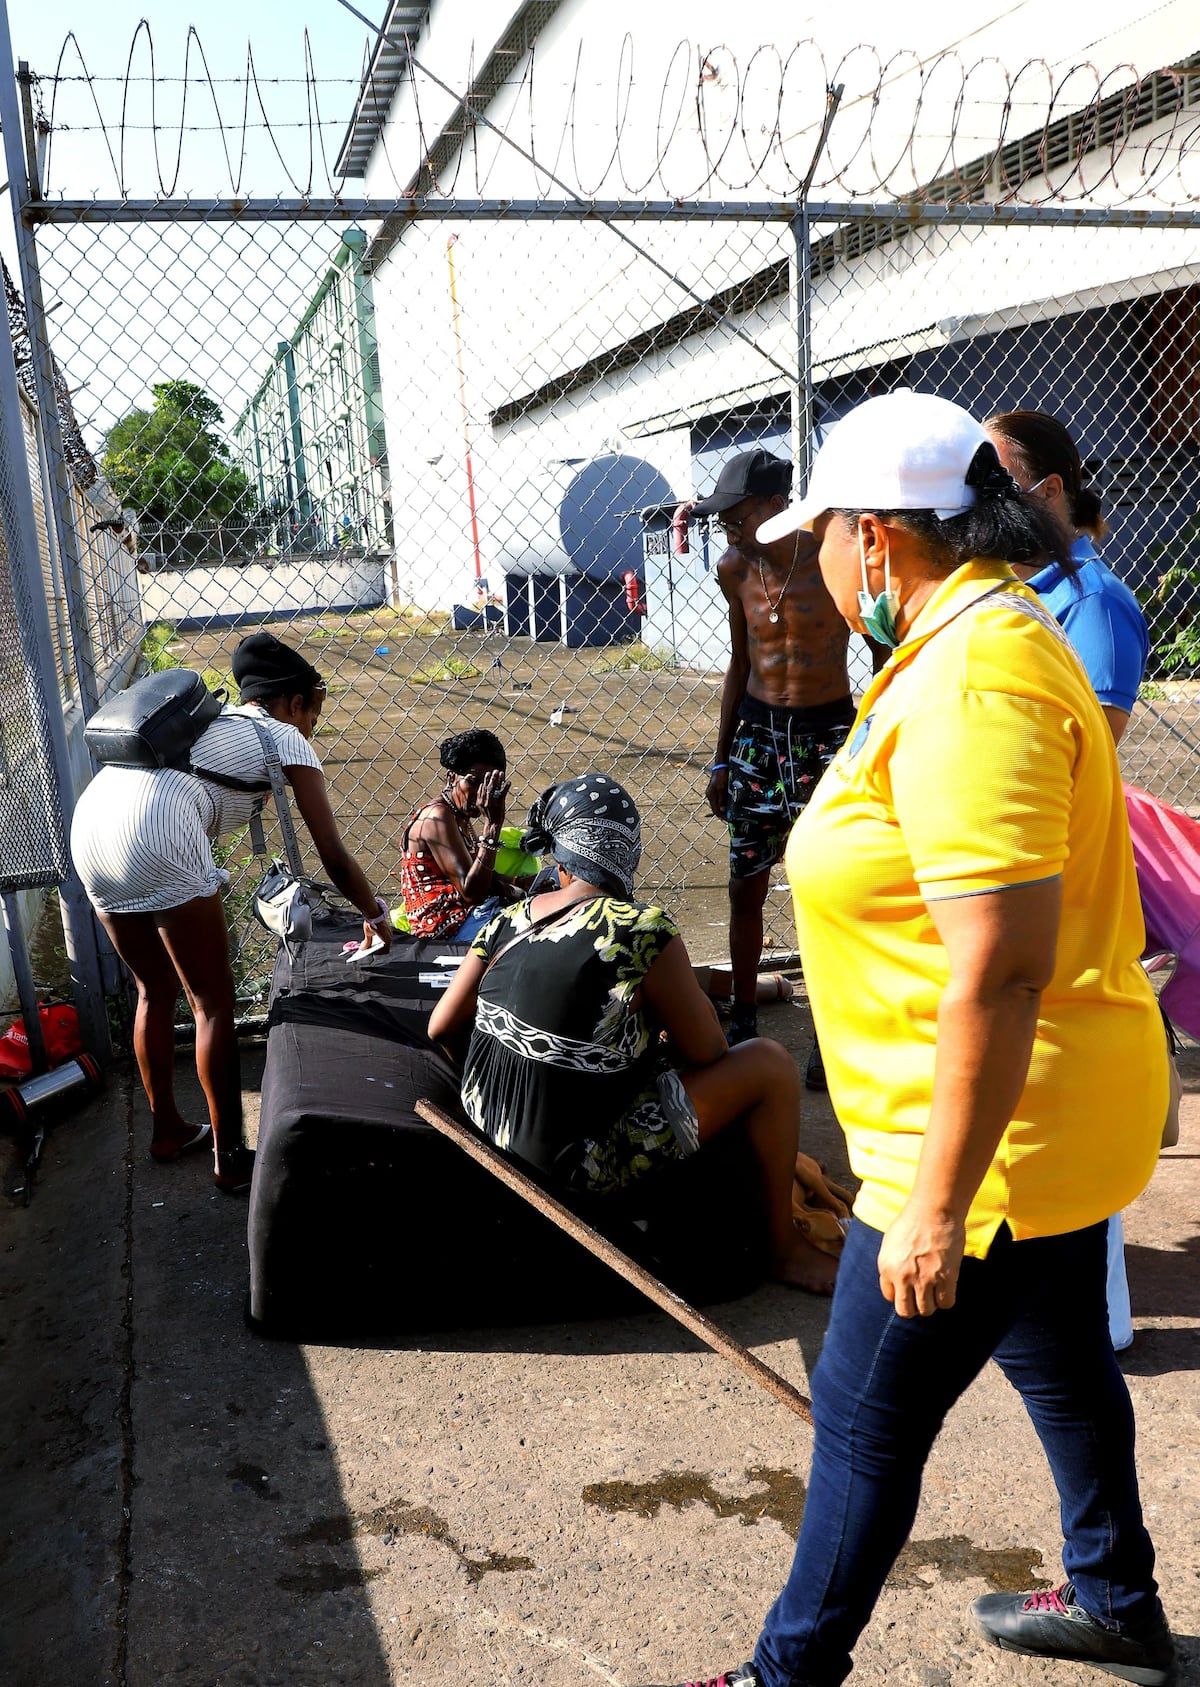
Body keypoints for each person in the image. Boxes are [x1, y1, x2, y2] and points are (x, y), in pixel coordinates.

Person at [644, 391, 1174, 1687]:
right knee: (1061, 1366)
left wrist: (933, 1208)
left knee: (862, 1424)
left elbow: (997, 969)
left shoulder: (974, 675)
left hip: (983, 1140)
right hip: (1031, 1123)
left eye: (823, 534)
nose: (811, 559)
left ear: (876, 540)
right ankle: (1117, 1599)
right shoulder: (973, 638)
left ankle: (782, 1677)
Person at [428, 773, 837, 1294]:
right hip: (576, 1167)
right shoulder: (643, 930)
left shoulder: (509, 918)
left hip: (489, 1126)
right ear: (626, 852)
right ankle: (783, 1250)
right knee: (770, 1063)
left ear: (558, 856)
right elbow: (709, 1052)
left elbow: (441, 1024)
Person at [71, 631, 391, 1192]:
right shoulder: (285, 738)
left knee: (153, 990)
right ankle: (228, 1158)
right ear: (294, 703)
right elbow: (333, 855)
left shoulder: (210, 726)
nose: (312, 725)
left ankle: (168, 1131)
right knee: (212, 1004)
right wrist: (376, 914)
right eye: (312, 712)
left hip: (94, 815)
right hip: (159, 823)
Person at [986, 408, 1153, 1356]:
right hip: (1033, 873)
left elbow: (1080, 761)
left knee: (1066, 1078)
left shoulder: (1094, 601)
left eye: (999, 477)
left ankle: (1102, 1309)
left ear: (1049, 491)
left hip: (1065, 876)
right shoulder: (1021, 591)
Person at [692, 449, 861, 1082]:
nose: (726, 529)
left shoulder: (831, 561)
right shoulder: (734, 568)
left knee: (832, 887)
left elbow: (880, 649)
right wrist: (720, 757)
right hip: (760, 738)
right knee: (746, 882)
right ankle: (742, 1016)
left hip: (828, 735)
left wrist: (870, 740)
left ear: (772, 507)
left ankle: (829, 1029)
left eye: (734, 516)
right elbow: (740, 661)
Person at [985, 408, 1149, 744]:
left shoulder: (1096, 603)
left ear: (1049, 490)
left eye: (998, 487)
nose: (983, 506)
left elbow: (1088, 754)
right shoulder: (993, 584)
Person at [398, 728, 533, 940]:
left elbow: (480, 875)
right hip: (446, 927)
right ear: (451, 777)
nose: (481, 792)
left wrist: (520, 884)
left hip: (468, 916)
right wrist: (493, 825)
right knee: (540, 922)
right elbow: (472, 893)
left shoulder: (458, 814)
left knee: (553, 884)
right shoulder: (437, 816)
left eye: (489, 784)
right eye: (472, 781)